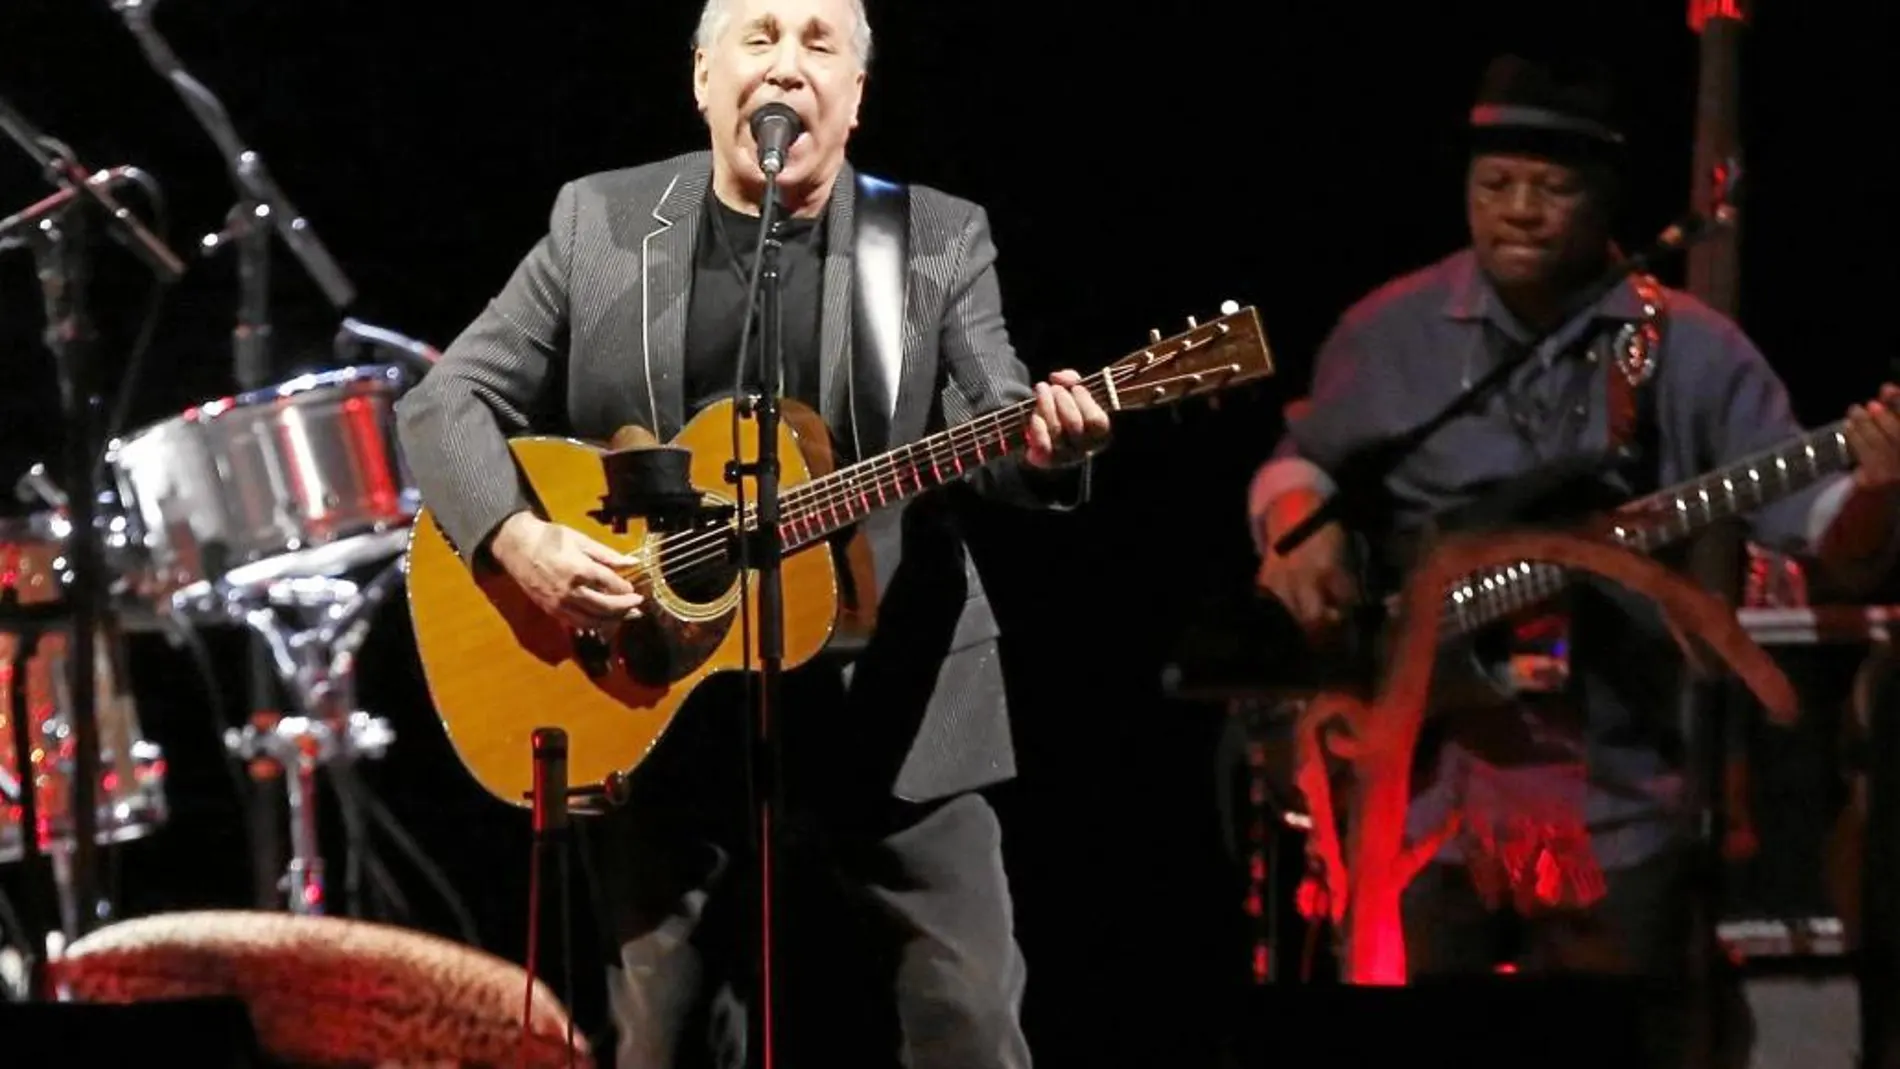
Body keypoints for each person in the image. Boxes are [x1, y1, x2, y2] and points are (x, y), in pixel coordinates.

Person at [394, 1, 1110, 1065]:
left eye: (819, 44)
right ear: (701, 77)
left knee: (970, 1016)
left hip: (890, 696)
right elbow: (441, 405)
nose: (785, 69)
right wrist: (514, 540)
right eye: (759, 37)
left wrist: (1047, 448)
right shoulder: (597, 223)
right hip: (647, 689)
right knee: (661, 1032)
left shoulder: (933, 239)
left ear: (855, 98)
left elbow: (991, 413)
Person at [1246, 53, 1900, 1065]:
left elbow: (1826, 539)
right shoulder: (1392, 332)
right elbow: (1300, 467)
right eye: (1492, 187)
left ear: (1605, 202)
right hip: (1422, 797)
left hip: (1616, 800)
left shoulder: (1687, 349)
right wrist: (1300, 519)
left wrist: (1878, 485)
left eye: (1551, 190)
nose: (1518, 212)